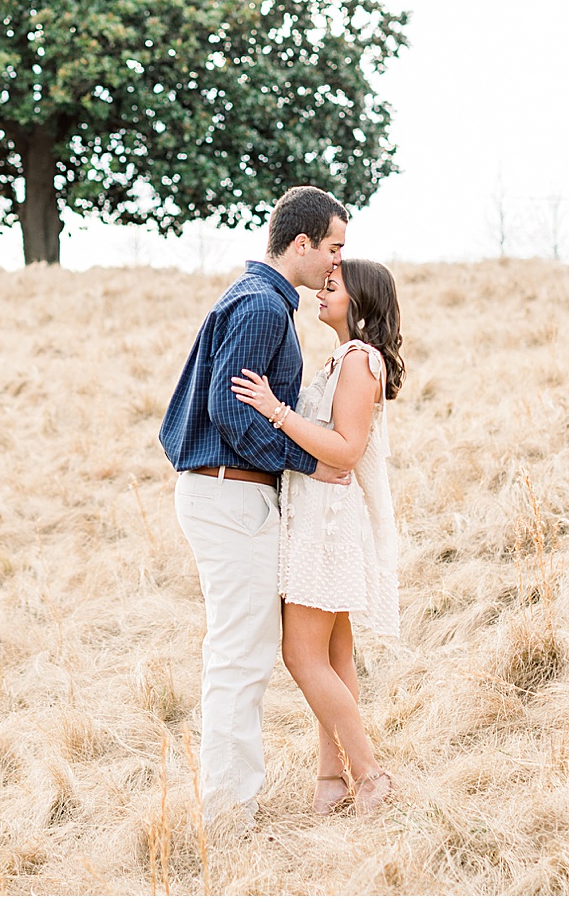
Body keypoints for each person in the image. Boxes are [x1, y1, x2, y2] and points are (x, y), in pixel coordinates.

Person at [158, 185, 353, 827]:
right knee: (242, 649)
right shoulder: (263, 306)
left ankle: (229, 801)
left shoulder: (258, 299)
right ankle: (227, 813)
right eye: (331, 248)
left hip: (228, 489)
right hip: (228, 489)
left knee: (240, 645)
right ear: (300, 243)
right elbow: (230, 408)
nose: (335, 263)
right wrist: (311, 462)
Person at [230, 258, 405, 815]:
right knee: (334, 654)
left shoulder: (359, 360)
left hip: (326, 526)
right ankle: (332, 783)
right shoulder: (344, 358)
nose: (321, 292)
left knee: (301, 655)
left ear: (359, 301)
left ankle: (371, 773)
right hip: (320, 518)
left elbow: (346, 449)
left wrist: (276, 412)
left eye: (333, 287)